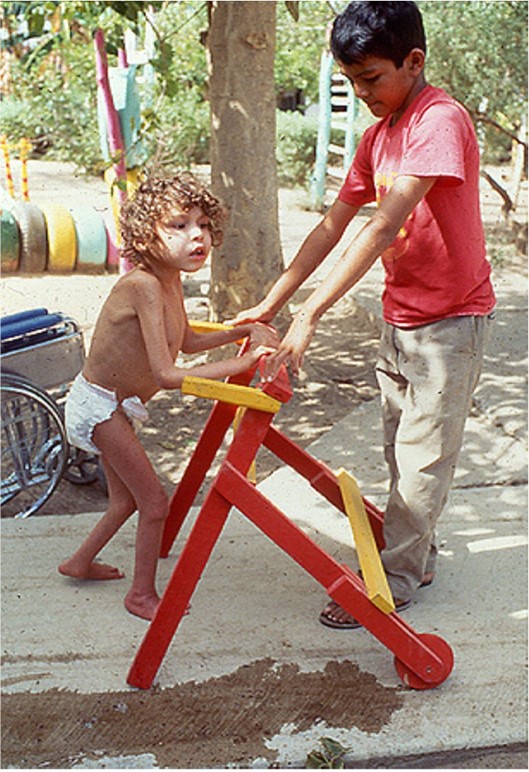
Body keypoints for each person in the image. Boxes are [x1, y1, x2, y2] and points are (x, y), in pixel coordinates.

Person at [230, 1, 496, 628]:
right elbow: (333, 225)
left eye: (372, 78)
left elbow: (381, 226)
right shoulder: (378, 137)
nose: (362, 92)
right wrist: (275, 301)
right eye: (351, 81)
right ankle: (418, 555)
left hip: (451, 322)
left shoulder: (439, 120)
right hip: (400, 315)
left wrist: (313, 313)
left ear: (414, 61)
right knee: (400, 451)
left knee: (423, 459)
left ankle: (396, 582)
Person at [59, 172, 278, 621]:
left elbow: (188, 340)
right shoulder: (142, 285)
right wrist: (243, 364)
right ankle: (140, 595)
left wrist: (242, 331)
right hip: (99, 406)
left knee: (124, 501)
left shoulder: (169, 281)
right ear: (145, 234)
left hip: (113, 405)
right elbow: (167, 372)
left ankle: (78, 562)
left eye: (201, 224)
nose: (195, 235)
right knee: (154, 503)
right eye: (178, 225)